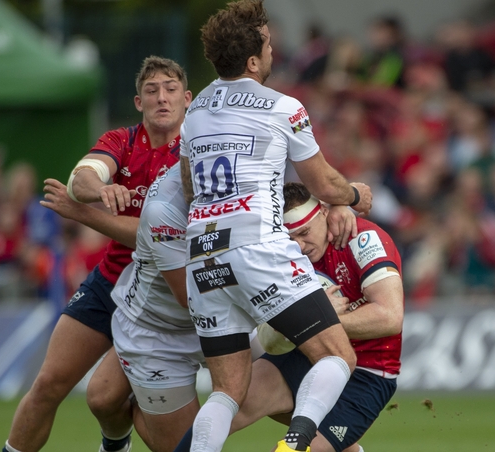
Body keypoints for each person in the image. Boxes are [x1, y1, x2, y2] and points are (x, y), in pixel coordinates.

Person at [178, 1, 373, 451]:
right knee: (337, 353)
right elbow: (321, 181)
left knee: (227, 389)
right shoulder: (285, 107)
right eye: (266, 44)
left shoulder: (197, 109)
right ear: (252, 59)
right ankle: (296, 443)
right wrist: (355, 196)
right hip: (257, 245)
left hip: (203, 251)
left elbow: (190, 184)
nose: (272, 50)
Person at [3, 56, 191, 452]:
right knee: (48, 384)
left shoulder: (194, 154)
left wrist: (83, 214)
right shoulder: (122, 140)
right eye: (152, 91)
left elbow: (153, 236)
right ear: (138, 102)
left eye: (170, 89)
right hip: (111, 280)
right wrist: (97, 189)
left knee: (106, 399)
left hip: (167, 294)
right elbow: (80, 177)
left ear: (187, 99)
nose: (162, 98)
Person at [173, 183, 404, 452]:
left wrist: (319, 317)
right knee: (229, 404)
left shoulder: (361, 238)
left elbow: (390, 317)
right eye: (290, 238)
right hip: (302, 355)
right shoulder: (276, 250)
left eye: (304, 232)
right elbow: (271, 341)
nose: (300, 246)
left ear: (324, 213)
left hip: (367, 372)